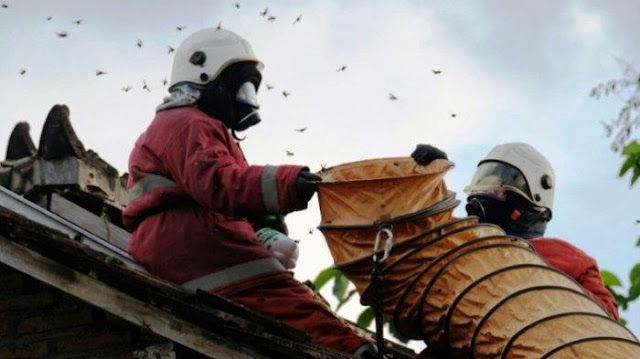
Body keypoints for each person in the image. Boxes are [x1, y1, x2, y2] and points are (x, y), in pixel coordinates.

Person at [123, 28, 376, 357]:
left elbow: (225, 188)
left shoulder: (196, 127)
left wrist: (263, 224)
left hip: (180, 238)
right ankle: (356, 351)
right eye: (239, 86)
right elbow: (219, 183)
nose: (245, 98)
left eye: (250, 88)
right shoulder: (187, 122)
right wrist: (289, 183)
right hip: (188, 240)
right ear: (206, 77)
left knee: (280, 297)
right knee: (284, 299)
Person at [412, 143, 619, 320]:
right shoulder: (460, 240)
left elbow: (606, 319)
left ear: (527, 204)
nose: (487, 193)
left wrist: (540, 284)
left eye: (499, 188)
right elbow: (419, 231)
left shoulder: (570, 259)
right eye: (485, 185)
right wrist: (426, 180)